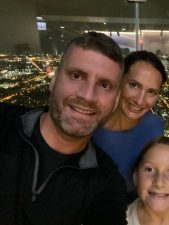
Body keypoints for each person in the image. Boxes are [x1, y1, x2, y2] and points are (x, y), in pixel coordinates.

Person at [0, 32, 127, 225]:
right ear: (54, 79)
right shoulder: (4, 123)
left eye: (104, 85)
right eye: (76, 76)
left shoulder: (105, 182)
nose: (88, 96)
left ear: (116, 100)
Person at [92, 50, 167, 197]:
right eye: (134, 85)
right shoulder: (90, 127)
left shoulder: (155, 126)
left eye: (151, 92)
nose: (139, 100)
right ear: (119, 81)